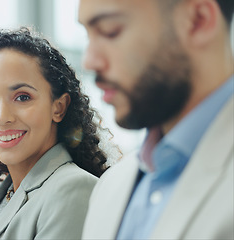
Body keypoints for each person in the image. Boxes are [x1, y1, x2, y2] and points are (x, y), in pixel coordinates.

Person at [78, 0, 233, 239]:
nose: (89, 61)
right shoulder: (110, 187)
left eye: (110, 31)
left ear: (198, 21)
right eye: (87, 36)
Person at [0, 28, 110, 239]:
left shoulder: (73, 189)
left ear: (58, 107)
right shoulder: (5, 195)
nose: (1, 117)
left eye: (22, 97)